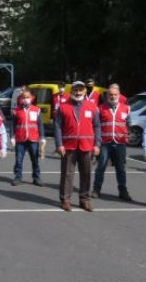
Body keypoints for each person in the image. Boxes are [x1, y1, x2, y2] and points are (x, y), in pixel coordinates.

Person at [54, 81, 100, 212]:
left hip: (87, 146)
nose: (78, 92)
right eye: (75, 90)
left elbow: (97, 126)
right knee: (67, 174)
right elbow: (57, 126)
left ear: (85, 91)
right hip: (69, 147)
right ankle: (65, 200)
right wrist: (59, 144)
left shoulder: (92, 106)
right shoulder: (63, 107)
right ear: (71, 91)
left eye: (80, 90)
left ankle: (84, 200)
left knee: (86, 174)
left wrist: (97, 144)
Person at [91, 84, 132, 201]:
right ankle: (96, 189)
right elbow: (96, 126)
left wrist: (126, 135)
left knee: (120, 168)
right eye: (110, 94)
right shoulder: (100, 108)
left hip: (120, 143)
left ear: (119, 95)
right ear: (106, 95)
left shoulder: (126, 108)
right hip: (105, 142)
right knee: (101, 167)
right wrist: (96, 143)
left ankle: (123, 190)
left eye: (115, 94)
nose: (113, 96)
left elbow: (129, 124)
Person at [11, 89, 45, 187]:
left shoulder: (36, 110)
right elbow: (13, 125)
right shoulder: (16, 111)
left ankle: (36, 177)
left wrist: (42, 137)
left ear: (31, 98)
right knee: (19, 160)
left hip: (33, 139)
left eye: (27, 97)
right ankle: (18, 177)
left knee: (35, 159)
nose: (26, 99)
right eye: (24, 97)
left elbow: (40, 125)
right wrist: (12, 137)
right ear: (21, 99)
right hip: (20, 138)